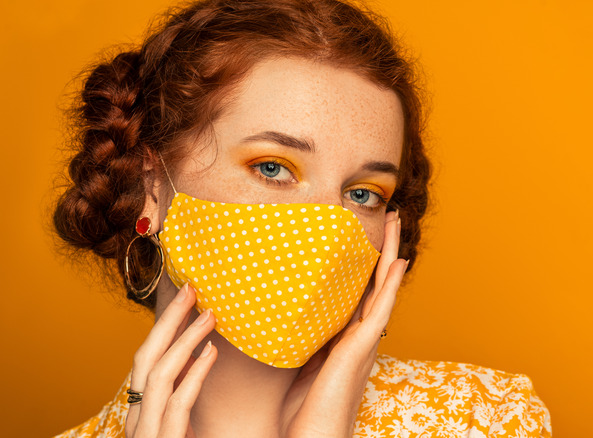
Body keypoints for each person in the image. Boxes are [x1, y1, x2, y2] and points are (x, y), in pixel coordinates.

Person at [53, 0, 552, 436]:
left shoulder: (484, 418)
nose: (328, 228)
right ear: (151, 185)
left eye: (363, 193)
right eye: (273, 168)